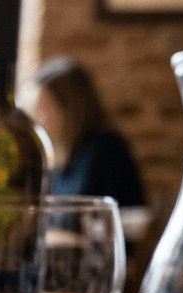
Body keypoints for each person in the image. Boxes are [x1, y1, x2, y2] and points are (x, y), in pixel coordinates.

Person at [28, 56, 146, 209]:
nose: (35, 120)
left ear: (67, 109)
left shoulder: (107, 152)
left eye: (41, 109)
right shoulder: (54, 161)